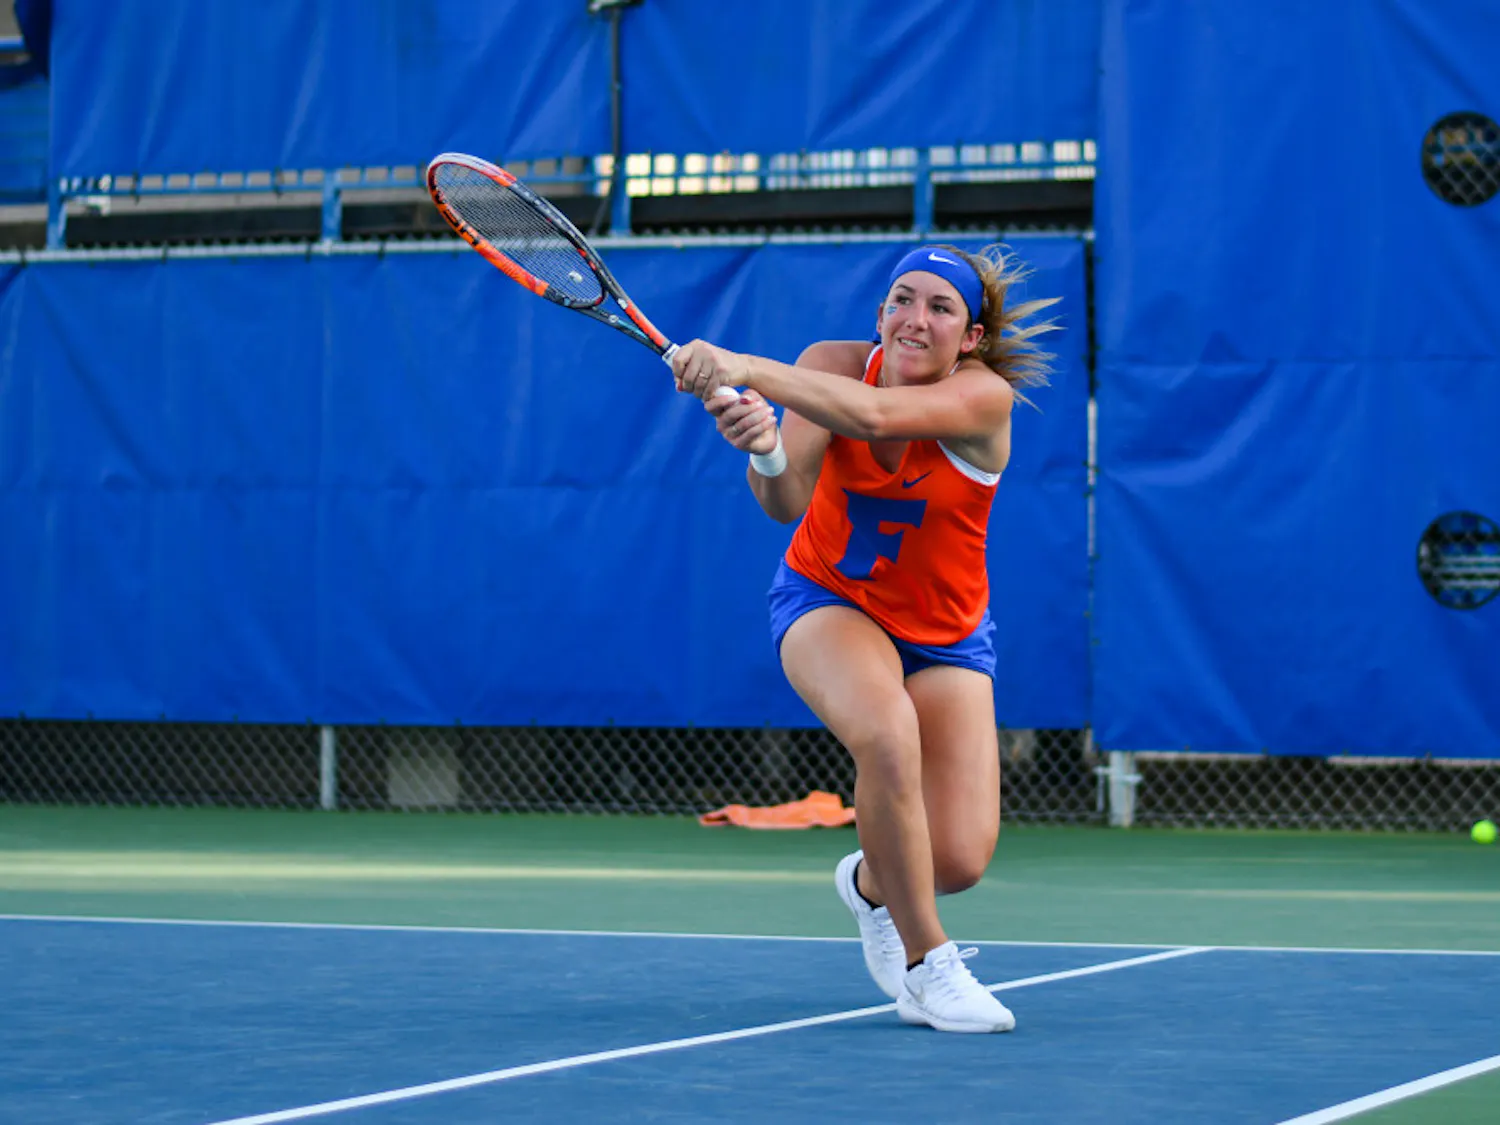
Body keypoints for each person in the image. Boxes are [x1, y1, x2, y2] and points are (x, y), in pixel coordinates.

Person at [670, 244, 1057, 1034]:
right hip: (829, 598)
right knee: (885, 734)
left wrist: (741, 364)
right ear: (880, 312)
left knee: (955, 861)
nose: (916, 318)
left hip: (947, 632)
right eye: (901, 299)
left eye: (940, 307)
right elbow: (784, 502)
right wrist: (767, 446)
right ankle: (930, 967)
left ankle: (871, 887)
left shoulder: (985, 398)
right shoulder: (827, 364)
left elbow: (875, 416)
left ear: (971, 337)